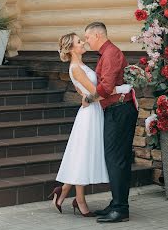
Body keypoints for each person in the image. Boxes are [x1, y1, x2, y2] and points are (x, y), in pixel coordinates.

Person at [49, 32, 131, 217]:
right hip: (88, 115)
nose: (83, 42)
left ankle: (62, 193)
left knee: (83, 155)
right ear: (71, 49)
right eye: (79, 41)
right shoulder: (76, 67)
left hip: (94, 111)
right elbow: (96, 91)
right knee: (83, 155)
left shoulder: (82, 64)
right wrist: (121, 89)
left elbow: (91, 94)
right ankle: (79, 200)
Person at [83, 22, 138, 223]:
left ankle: (121, 208)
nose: (86, 41)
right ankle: (116, 203)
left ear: (97, 35)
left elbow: (106, 87)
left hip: (120, 110)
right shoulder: (107, 53)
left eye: (87, 37)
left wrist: (88, 99)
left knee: (117, 159)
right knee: (113, 158)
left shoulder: (110, 53)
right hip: (115, 109)